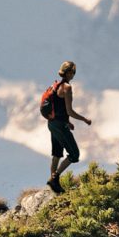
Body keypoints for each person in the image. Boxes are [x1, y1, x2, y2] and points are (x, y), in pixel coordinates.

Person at [42, 60, 85, 190]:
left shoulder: (54, 86)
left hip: (52, 123)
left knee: (56, 154)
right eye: (73, 72)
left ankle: (53, 185)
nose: (74, 74)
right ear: (68, 72)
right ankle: (54, 179)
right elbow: (69, 111)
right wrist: (84, 119)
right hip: (60, 126)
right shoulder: (67, 87)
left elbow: (58, 108)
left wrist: (68, 122)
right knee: (74, 154)